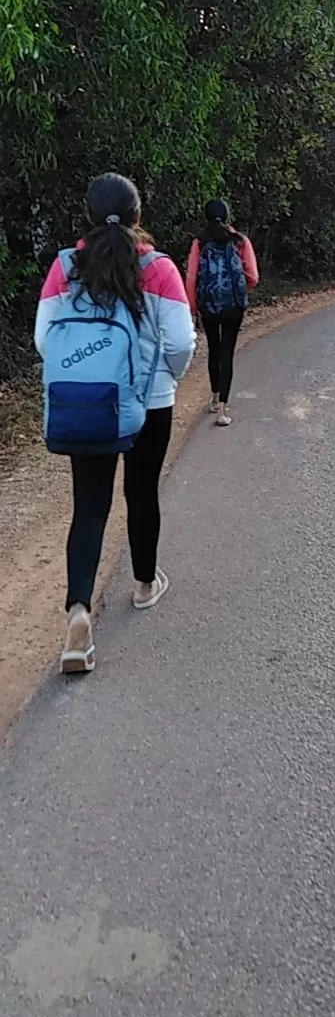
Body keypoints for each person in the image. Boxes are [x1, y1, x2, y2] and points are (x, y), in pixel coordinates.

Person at [35, 173, 195, 674]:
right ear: (137, 216)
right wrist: (160, 380)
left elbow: (46, 340)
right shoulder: (160, 269)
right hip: (149, 403)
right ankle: (145, 584)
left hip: (89, 402)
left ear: (88, 215)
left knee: (89, 507)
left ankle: (79, 613)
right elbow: (181, 344)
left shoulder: (67, 266)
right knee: (141, 493)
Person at [185, 199, 259, 426]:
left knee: (214, 350)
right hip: (233, 307)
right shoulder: (240, 241)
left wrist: (194, 308)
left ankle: (215, 398)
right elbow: (253, 277)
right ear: (227, 216)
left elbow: (191, 277)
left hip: (208, 307)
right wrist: (239, 292)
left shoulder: (199, 242)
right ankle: (223, 412)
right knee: (227, 352)